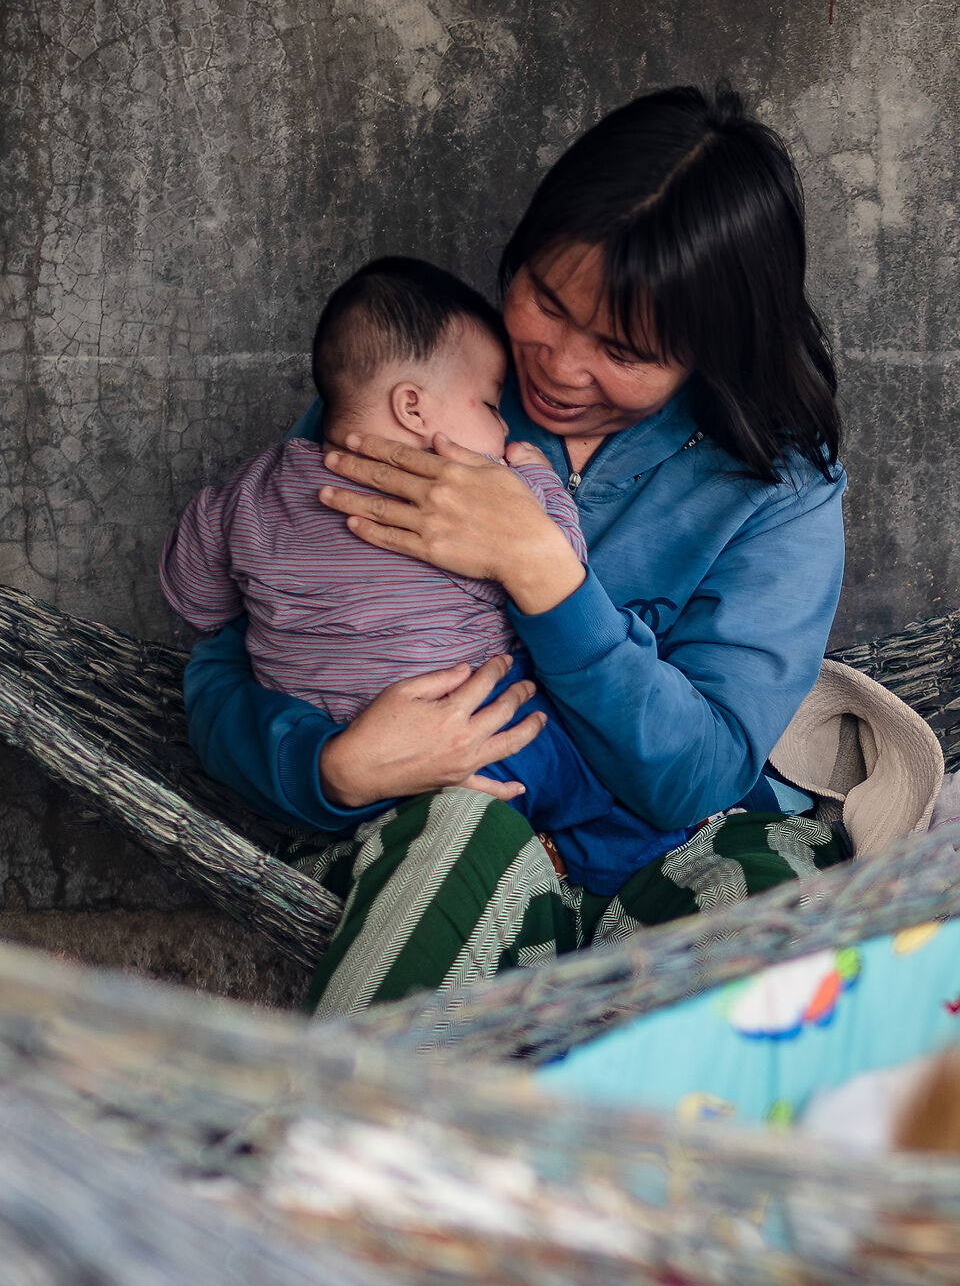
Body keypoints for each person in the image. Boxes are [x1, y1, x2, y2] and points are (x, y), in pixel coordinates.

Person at [181, 83, 850, 1020]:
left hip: (676, 842)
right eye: (545, 300)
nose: (559, 366)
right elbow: (227, 668)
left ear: (710, 350)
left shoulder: (776, 489)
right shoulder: (432, 388)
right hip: (431, 829)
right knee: (458, 840)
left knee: (776, 913)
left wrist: (543, 572)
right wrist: (328, 769)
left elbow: (701, 774)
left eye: (624, 350)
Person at [158, 256, 681, 898]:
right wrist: (535, 480)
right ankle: (593, 864)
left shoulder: (250, 492)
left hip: (321, 736)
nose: (503, 425)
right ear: (412, 407)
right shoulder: (468, 505)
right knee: (622, 787)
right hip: (467, 729)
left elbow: (197, 600)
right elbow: (556, 560)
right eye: (490, 404)